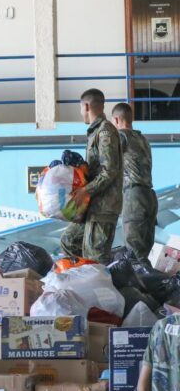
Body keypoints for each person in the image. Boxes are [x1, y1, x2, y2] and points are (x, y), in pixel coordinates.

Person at [60, 89, 122, 264]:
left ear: (86, 106)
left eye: (80, 108)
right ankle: (80, 285)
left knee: (95, 260)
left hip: (103, 207)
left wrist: (85, 190)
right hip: (92, 206)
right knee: (69, 241)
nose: (81, 113)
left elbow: (109, 170)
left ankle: (98, 288)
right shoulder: (95, 132)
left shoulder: (105, 131)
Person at [111, 102, 156, 262]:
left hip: (134, 196)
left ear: (116, 120)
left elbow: (109, 166)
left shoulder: (120, 137)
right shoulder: (143, 139)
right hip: (149, 195)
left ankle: (139, 285)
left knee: (134, 254)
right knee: (143, 252)